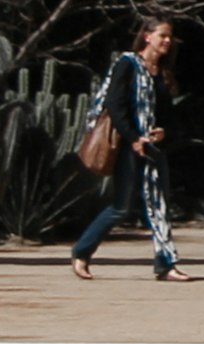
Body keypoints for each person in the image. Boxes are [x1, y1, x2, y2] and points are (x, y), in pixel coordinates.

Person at [71, 17, 187, 281]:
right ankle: (81, 252)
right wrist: (134, 137)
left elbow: (167, 114)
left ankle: (166, 264)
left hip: (154, 147)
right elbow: (115, 104)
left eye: (170, 37)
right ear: (147, 36)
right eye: (163, 35)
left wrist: (163, 132)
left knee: (159, 205)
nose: (167, 41)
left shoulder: (163, 73)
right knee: (121, 207)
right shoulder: (128, 64)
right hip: (129, 146)